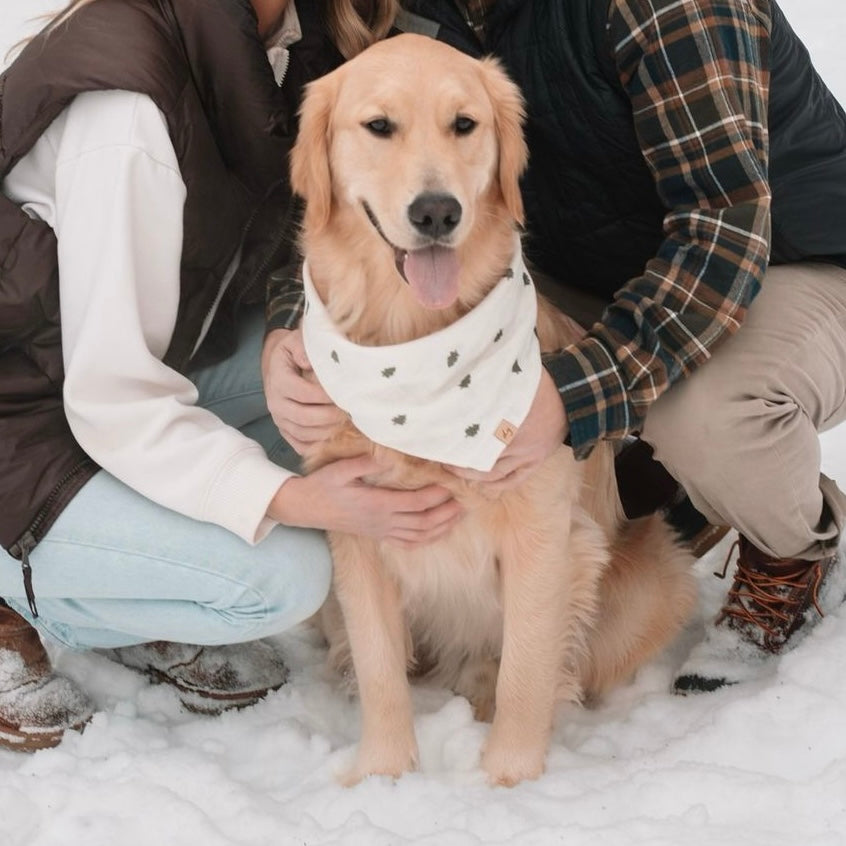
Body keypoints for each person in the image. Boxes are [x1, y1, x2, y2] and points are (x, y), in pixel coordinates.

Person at [268, 0, 846, 693]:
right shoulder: (398, 8)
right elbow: (339, 187)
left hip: (784, 262)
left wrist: (574, 394)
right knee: (422, 356)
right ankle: (647, 485)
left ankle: (793, 550)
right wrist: (296, 328)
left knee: (701, 416)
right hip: (590, 269)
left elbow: (724, 229)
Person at [0, 0, 464, 752]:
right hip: (25, 416)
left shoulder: (292, 37)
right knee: (281, 578)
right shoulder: (126, 112)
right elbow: (112, 395)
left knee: (342, 381)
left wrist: (284, 336)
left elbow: (295, 238)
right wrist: (291, 498)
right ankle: (31, 585)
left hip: (129, 360)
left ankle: (129, 571)